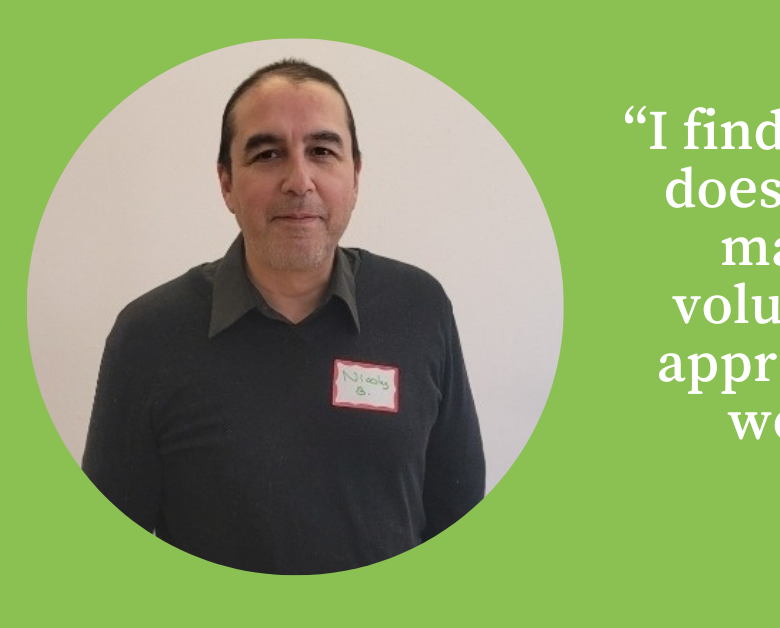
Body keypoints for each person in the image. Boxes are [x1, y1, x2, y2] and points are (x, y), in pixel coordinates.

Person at [82, 59, 485, 575]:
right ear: (226, 183)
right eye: (268, 154)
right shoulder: (149, 337)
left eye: (322, 151)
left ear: (355, 175)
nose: (300, 180)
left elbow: (458, 517)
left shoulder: (420, 309)